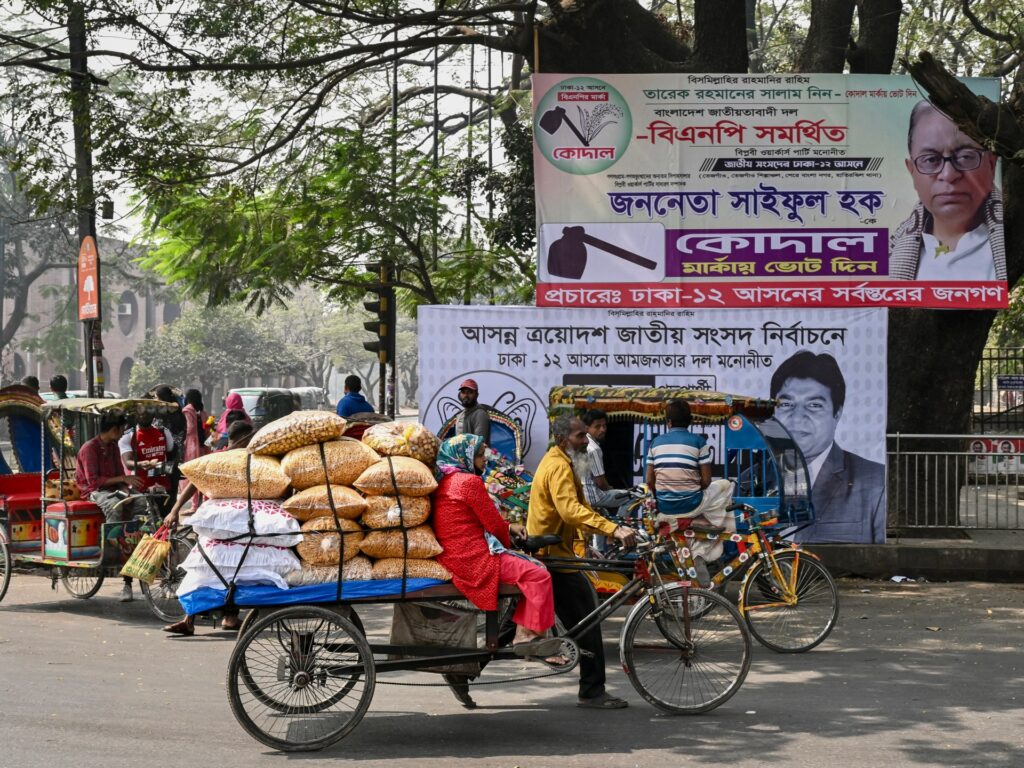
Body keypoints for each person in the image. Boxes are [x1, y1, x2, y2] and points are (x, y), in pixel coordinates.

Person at [432, 433, 559, 707]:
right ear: (464, 457)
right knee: (537, 573)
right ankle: (526, 635)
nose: (483, 461)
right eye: (479, 456)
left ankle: (516, 637)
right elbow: (492, 523)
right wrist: (508, 538)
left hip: (455, 555)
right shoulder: (468, 482)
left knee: (527, 570)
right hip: (471, 558)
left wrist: (507, 530)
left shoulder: (447, 481)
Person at [527, 414, 635, 710]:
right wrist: (613, 530)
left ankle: (468, 668)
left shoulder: (562, 461)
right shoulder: (559, 466)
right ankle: (591, 691)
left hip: (557, 552)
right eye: (579, 436)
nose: (586, 441)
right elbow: (570, 511)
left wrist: (589, 539)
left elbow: (579, 508)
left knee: (527, 623)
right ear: (563, 439)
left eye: (585, 435)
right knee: (588, 619)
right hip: (553, 558)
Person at [770, 351, 886, 543]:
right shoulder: (750, 480)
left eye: (814, 405)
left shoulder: (876, 482)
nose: (797, 418)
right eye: (786, 404)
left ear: (837, 414)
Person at [890, 100, 1003, 281]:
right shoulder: (889, 256)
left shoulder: (1012, 239)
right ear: (912, 171)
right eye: (930, 160)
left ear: (991, 163)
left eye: (965, 157)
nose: (949, 174)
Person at [161, 420, 255, 636]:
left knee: (234, 569)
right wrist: (174, 510)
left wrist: (175, 510)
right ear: (244, 438)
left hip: (237, 521)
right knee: (203, 566)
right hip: (217, 522)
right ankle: (190, 618)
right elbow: (194, 482)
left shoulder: (247, 459)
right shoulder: (218, 458)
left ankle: (229, 617)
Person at [645, 399, 736, 582]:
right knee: (726, 485)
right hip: (692, 503)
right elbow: (707, 481)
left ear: (668, 422)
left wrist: (666, 494)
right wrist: (692, 489)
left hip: (665, 506)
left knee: (702, 508)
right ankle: (705, 547)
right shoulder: (698, 442)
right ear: (690, 421)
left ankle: (697, 549)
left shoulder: (655, 443)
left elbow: (649, 481)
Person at [75, 411, 149, 602]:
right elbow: (94, 482)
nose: (123, 433)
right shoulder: (89, 449)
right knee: (116, 506)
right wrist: (123, 479)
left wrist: (126, 489)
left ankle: (135, 536)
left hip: (114, 488)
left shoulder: (114, 447)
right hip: (95, 491)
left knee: (142, 500)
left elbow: (118, 475)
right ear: (114, 429)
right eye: (122, 429)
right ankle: (113, 547)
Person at [578, 409, 632, 515]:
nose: (602, 429)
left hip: (581, 495)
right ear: (587, 428)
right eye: (597, 426)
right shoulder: (594, 448)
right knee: (633, 496)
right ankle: (620, 523)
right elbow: (601, 483)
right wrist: (610, 488)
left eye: (604, 426)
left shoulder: (579, 444)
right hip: (594, 497)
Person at [455, 379, 491, 444]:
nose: (466, 395)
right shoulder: (460, 415)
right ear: (459, 394)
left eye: (469, 392)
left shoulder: (480, 414)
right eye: (463, 392)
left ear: (476, 395)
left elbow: (479, 443)